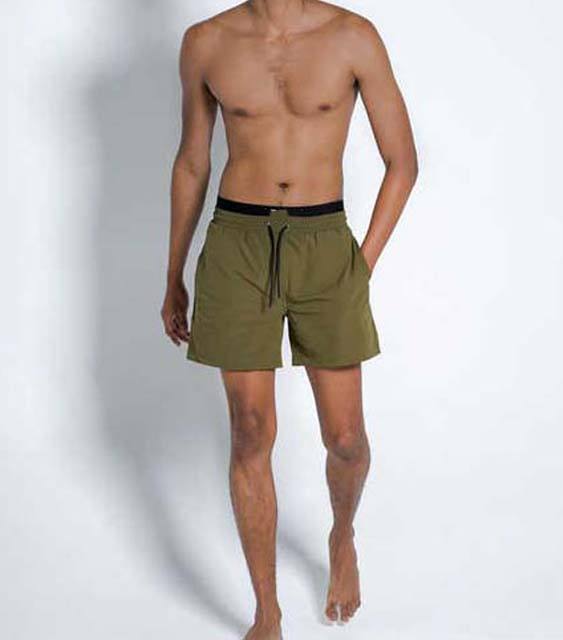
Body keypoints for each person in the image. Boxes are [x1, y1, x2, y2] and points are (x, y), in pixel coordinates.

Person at [161, 1, 417, 638]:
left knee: (347, 439)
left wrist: (359, 265)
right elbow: (192, 161)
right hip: (236, 244)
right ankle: (266, 611)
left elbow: (403, 162)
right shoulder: (205, 40)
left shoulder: (352, 36)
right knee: (250, 432)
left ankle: (341, 535)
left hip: (324, 240)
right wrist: (173, 273)